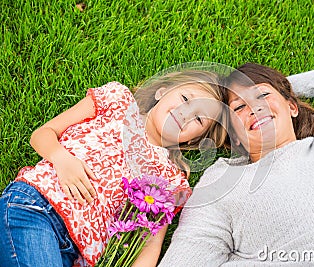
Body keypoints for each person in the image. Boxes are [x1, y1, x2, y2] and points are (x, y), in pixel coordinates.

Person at [159, 60, 314, 266]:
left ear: (292, 107)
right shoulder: (223, 183)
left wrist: (285, 87)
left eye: (263, 95)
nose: (254, 108)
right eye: (240, 107)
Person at [0, 70, 227, 267]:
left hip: (75, 255)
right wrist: (62, 159)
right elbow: (42, 134)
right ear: (162, 91)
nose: (185, 114)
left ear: (193, 140)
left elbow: (149, 244)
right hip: (36, 206)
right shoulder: (118, 101)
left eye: (198, 119)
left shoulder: (169, 179)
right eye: (186, 98)